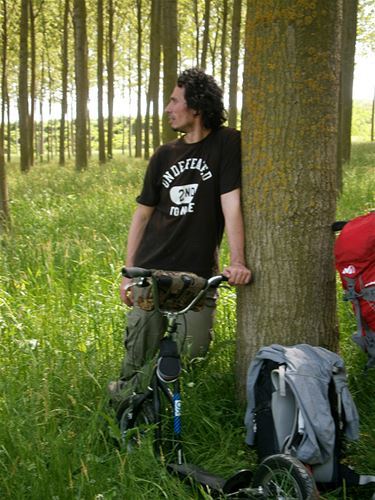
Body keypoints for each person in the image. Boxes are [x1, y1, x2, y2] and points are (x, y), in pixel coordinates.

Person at [109, 68, 251, 404]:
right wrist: (128, 273)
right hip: (151, 271)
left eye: (175, 101)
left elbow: (231, 204)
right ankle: (126, 411)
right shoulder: (163, 155)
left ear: (197, 107)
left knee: (193, 354)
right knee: (137, 355)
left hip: (198, 275)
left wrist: (238, 260)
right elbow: (142, 215)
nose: (168, 108)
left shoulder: (227, 143)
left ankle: (168, 408)